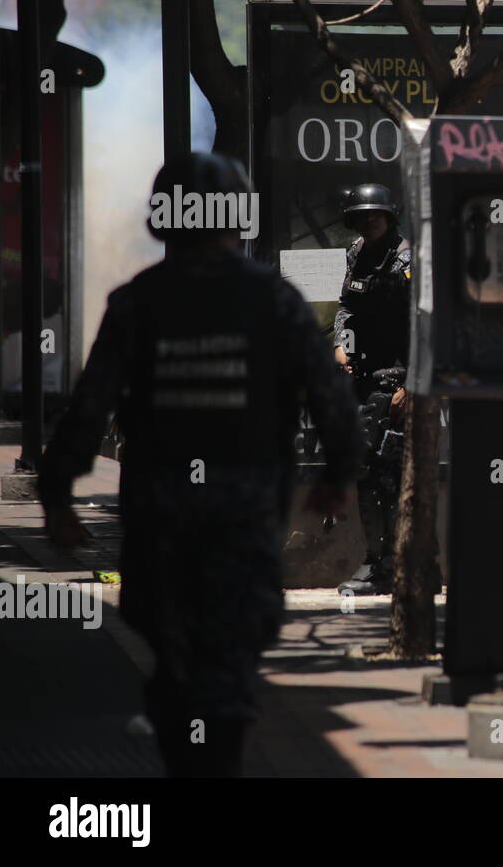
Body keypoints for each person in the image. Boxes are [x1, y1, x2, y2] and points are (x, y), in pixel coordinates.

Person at [39, 152, 363, 777]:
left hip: (161, 516)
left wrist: (58, 496)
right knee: (232, 654)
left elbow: (89, 408)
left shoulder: (138, 302)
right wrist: (338, 477)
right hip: (245, 514)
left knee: (173, 655)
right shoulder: (273, 300)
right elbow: (331, 397)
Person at [332, 183, 411, 595]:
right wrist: (341, 346)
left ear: (389, 216)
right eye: (362, 216)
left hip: (397, 382)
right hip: (362, 380)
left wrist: (413, 385)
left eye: (375, 215)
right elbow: (347, 306)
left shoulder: (407, 261)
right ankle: (379, 560)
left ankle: (394, 566)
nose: (369, 221)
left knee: (391, 478)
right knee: (366, 473)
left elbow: (427, 325)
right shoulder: (357, 253)